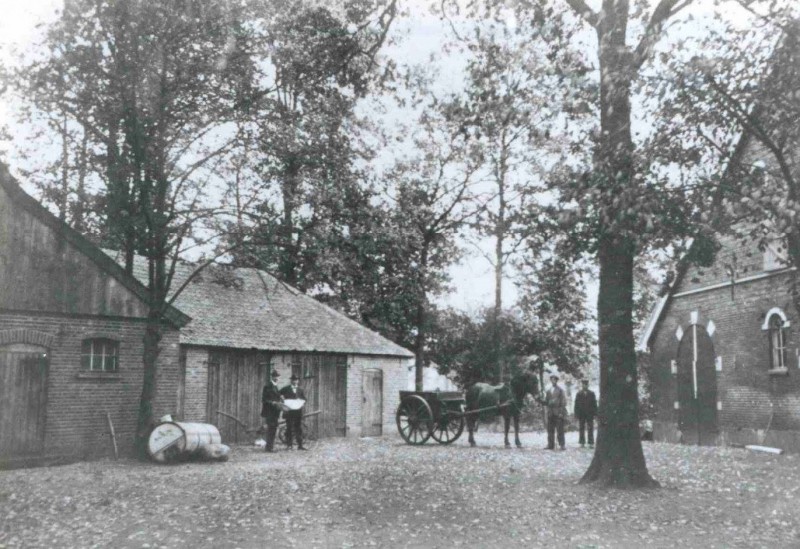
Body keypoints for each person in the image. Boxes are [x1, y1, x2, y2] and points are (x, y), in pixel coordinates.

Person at [280, 374, 307, 450]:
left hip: (298, 412)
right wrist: (282, 399)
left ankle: (300, 445)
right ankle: (289, 445)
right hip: (289, 412)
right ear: (291, 381)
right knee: (289, 428)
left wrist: (302, 403)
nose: (295, 381)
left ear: (298, 381)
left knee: (298, 428)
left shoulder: (300, 390)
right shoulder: (286, 389)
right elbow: (279, 394)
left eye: (296, 380)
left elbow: (304, 399)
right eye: (294, 380)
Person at [261, 370, 283, 452]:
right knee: (271, 429)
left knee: (273, 429)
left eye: (277, 376)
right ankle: (269, 448)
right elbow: (264, 399)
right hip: (269, 411)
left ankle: (270, 446)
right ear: (272, 377)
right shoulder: (267, 386)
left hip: (275, 411)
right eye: (275, 376)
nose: (276, 378)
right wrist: (272, 402)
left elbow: (277, 397)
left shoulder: (276, 386)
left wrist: (281, 398)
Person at [545, 374, 567, 450]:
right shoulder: (548, 391)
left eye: (554, 379)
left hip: (558, 412)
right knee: (550, 430)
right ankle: (550, 445)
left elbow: (563, 402)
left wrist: (561, 412)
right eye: (552, 379)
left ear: (556, 381)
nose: (553, 381)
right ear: (550, 380)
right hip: (550, 412)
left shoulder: (560, 390)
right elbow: (546, 402)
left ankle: (562, 444)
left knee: (560, 429)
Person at [574, 379, 598, 448]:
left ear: (588, 385)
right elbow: (576, 405)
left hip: (589, 414)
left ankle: (591, 442)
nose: (584, 386)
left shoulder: (591, 393)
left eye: (586, 384)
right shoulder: (579, 394)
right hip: (581, 414)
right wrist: (576, 414)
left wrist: (595, 413)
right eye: (583, 384)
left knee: (590, 428)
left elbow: (594, 404)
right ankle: (582, 442)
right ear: (582, 385)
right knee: (581, 428)